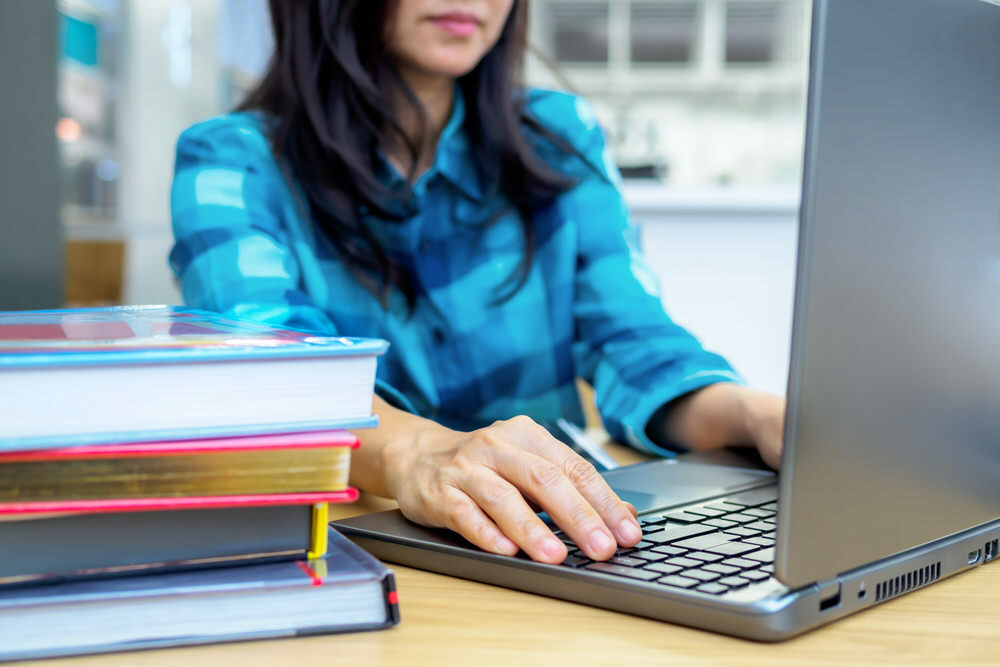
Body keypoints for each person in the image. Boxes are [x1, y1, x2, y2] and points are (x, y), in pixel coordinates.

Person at [170, 0, 785, 566]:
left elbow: (633, 339)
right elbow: (278, 385)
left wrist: (758, 415)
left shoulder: (557, 134)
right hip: (357, 564)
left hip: (559, 556)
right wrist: (414, 453)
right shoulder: (231, 162)